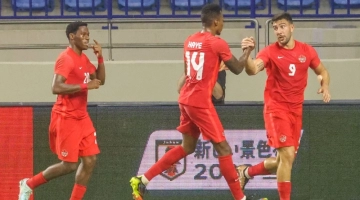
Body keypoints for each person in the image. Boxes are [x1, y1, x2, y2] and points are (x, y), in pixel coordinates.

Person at [130, 3, 251, 200]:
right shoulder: (217, 42)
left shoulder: (189, 40)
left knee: (187, 147)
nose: (223, 25)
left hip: (185, 99)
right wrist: (247, 51)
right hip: (200, 102)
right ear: (216, 21)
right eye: (223, 21)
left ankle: (142, 180)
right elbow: (237, 69)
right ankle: (241, 199)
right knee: (224, 148)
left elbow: (189, 72)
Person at [236, 12, 331, 200]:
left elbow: (322, 71)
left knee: (284, 160)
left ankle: (245, 172)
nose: (279, 31)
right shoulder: (270, 52)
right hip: (276, 109)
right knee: (287, 155)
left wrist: (325, 84)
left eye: (282, 26)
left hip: (296, 111)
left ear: (292, 27)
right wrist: (247, 54)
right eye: (275, 28)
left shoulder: (306, 51)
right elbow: (253, 69)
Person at [18, 21, 106, 200]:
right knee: (69, 165)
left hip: (82, 117)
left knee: (90, 160)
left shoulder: (84, 59)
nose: (87, 37)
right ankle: (28, 184)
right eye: (83, 34)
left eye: (88, 34)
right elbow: (56, 87)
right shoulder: (66, 58)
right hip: (66, 117)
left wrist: (100, 58)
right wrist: (84, 86)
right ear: (72, 37)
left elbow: (100, 81)